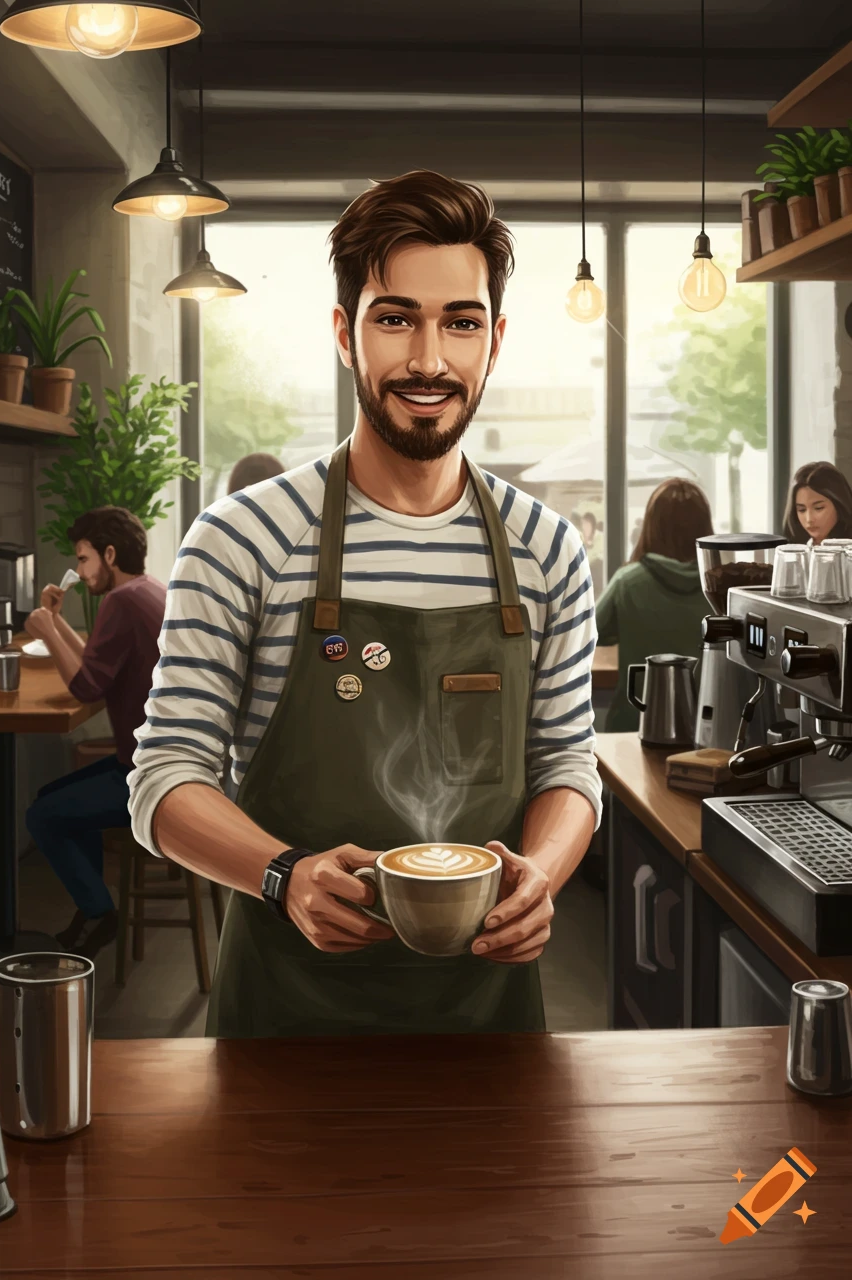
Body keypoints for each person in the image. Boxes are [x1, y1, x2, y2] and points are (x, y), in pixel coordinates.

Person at [128, 169, 602, 1039]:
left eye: (460, 322)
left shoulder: (546, 550)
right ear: (347, 334)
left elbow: (567, 762)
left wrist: (540, 872)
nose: (429, 359)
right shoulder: (243, 540)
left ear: (494, 340)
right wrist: (283, 875)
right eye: (397, 319)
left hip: (486, 1023)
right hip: (283, 1017)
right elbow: (165, 781)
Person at [23, 507, 166, 960]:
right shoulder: (146, 589)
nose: (80, 572)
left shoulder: (120, 602)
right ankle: (94, 908)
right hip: (153, 758)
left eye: (83, 560)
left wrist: (45, 630)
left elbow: (87, 686)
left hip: (147, 773)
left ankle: (100, 911)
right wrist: (59, 623)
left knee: (44, 816)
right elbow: (98, 666)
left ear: (109, 554)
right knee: (51, 796)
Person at [594, 478, 713, 733]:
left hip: (635, 721)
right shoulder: (720, 586)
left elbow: (592, 633)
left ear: (651, 526)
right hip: (705, 725)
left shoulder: (628, 581)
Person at [783, 460, 852, 545]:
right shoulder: (793, 551)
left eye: (818, 508)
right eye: (802, 510)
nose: (809, 519)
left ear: (839, 505)